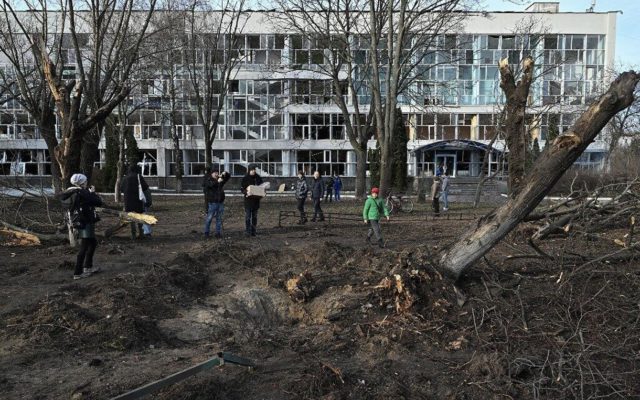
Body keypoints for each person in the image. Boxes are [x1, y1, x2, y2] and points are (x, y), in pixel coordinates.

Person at [59, 173, 103, 280]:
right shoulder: (82, 192)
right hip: (86, 221)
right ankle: (78, 272)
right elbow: (98, 202)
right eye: (85, 181)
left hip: (78, 221)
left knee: (92, 242)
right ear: (82, 183)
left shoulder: (70, 191)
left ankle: (88, 266)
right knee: (84, 246)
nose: (87, 182)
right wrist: (92, 193)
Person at [121, 164, 151, 239]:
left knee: (131, 218)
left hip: (128, 201)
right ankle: (141, 233)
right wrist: (148, 201)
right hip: (138, 200)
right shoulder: (138, 177)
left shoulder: (125, 178)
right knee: (140, 216)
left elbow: (121, 189)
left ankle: (133, 234)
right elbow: (145, 188)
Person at [203, 164, 230, 238]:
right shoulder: (208, 180)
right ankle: (206, 233)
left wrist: (225, 173)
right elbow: (210, 185)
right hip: (212, 203)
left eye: (217, 172)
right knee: (209, 218)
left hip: (220, 202)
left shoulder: (220, 180)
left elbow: (227, 178)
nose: (216, 174)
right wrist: (217, 181)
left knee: (219, 219)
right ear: (211, 174)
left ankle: (218, 233)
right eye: (215, 173)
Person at [241, 163, 263, 236]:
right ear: (249, 170)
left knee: (254, 217)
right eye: (252, 170)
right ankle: (248, 231)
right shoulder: (245, 178)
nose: (253, 171)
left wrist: (263, 192)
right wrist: (246, 192)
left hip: (256, 201)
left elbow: (262, 187)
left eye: (254, 170)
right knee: (248, 217)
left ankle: (253, 231)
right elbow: (242, 189)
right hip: (248, 201)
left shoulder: (258, 178)